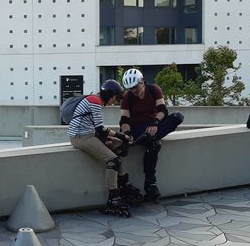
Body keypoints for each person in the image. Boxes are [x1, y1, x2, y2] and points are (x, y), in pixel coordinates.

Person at [68, 80, 140, 217]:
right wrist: (121, 135)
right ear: (110, 95)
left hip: (89, 134)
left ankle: (123, 183)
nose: (115, 101)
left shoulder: (95, 99)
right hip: (80, 137)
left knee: (121, 147)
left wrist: (113, 139)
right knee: (113, 161)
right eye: (116, 98)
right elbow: (100, 128)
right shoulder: (95, 102)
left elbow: (95, 127)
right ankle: (113, 198)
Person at [120, 69, 184, 202]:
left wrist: (155, 123)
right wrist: (127, 133)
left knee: (178, 116)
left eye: (135, 87)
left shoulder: (154, 89)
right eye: (130, 89)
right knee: (155, 144)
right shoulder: (127, 97)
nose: (133, 91)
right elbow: (124, 120)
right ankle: (150, 184)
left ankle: (147, 138)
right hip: (138, 128)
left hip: (155, 125)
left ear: (142, 81)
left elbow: (162, 110)